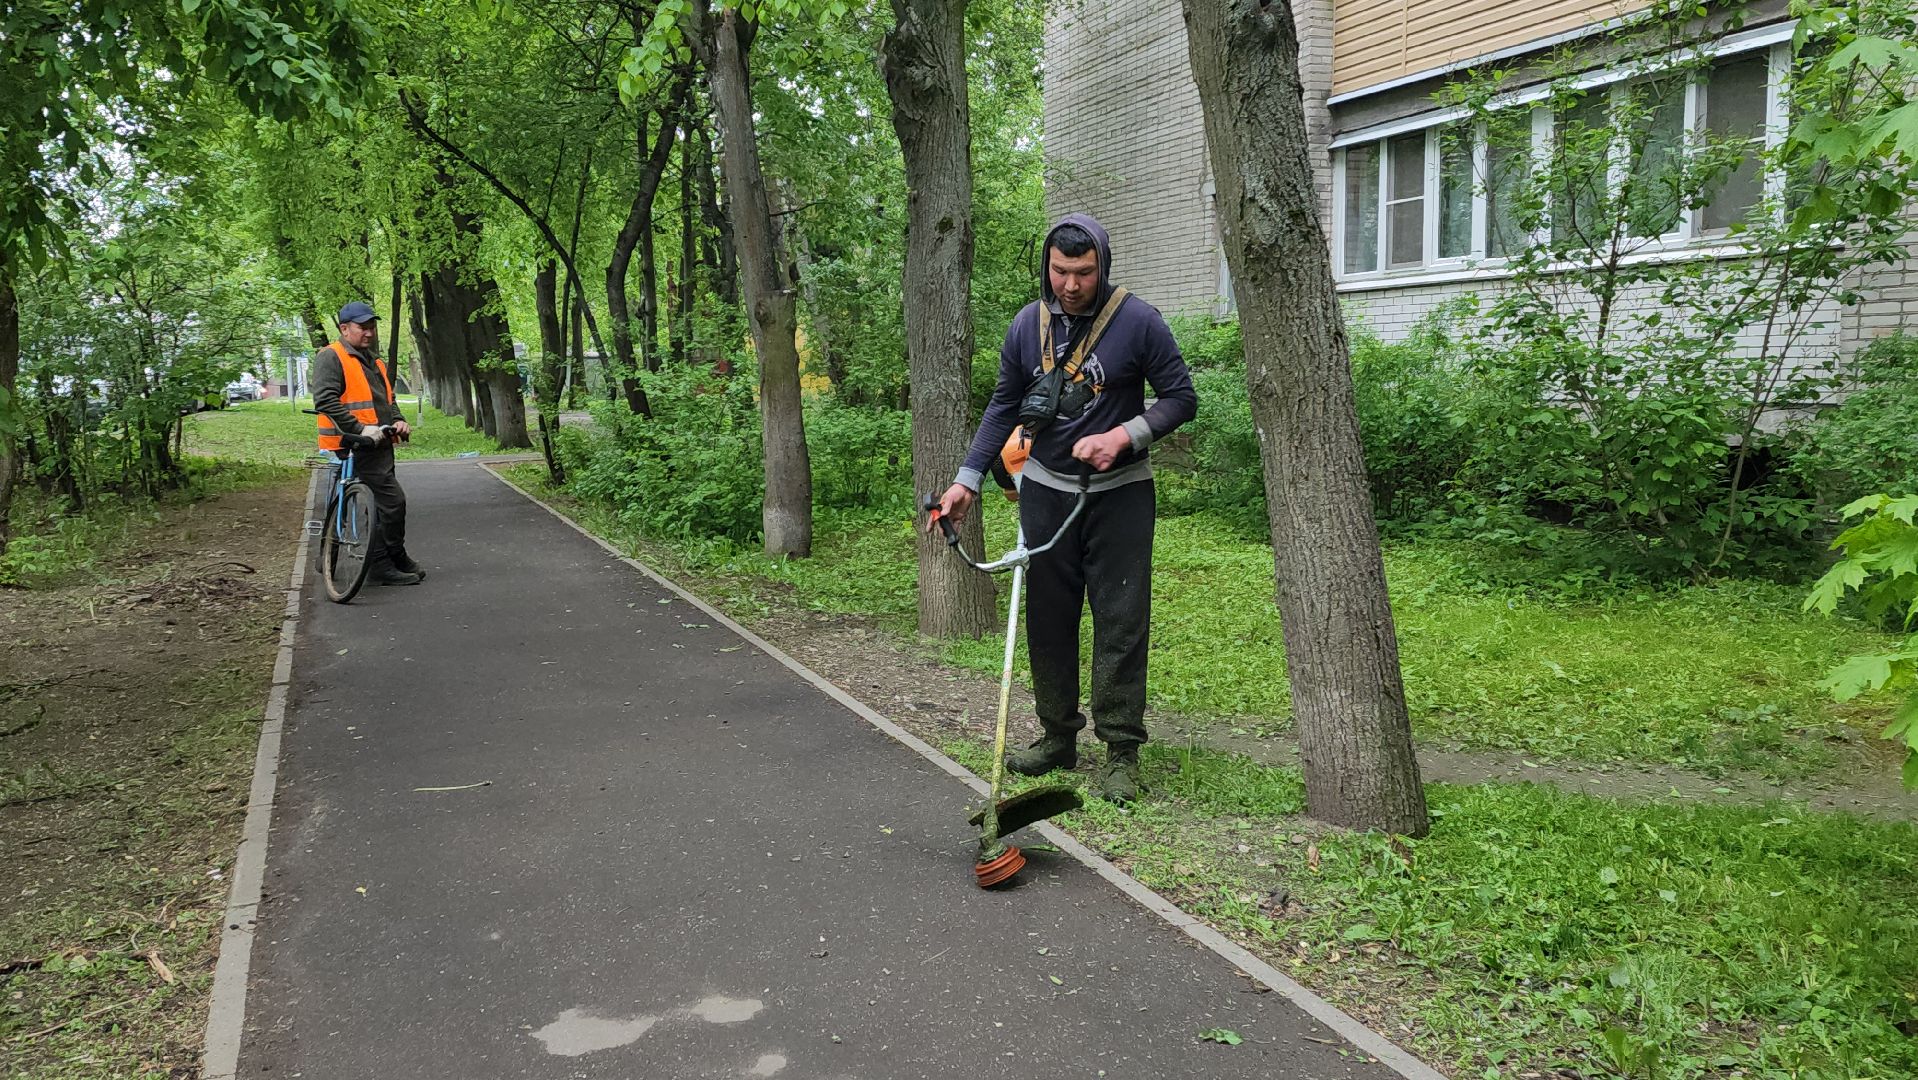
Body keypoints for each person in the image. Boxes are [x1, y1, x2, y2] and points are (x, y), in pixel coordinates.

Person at [931, 215, 1197, 803]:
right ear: (1046, 267)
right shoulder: (1029, 324)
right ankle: (1057, 738)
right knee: (1048, 619)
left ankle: (1121, 750)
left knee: (1121, 623)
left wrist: (1125, 435)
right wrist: (967, 480)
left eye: (1082, 272)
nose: (1070, 285)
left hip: (1120, 496)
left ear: (1102, 265)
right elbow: (1004, 403)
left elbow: (1181, 399)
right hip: (1045, 492)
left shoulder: (1139, 321)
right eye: (1059, 272)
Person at [313, 301, 424, 587]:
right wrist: (361, 429)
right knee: (390, 501)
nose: (369, 333)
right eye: (363, 327)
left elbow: (388, 400)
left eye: (372, 327)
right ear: (344, 328)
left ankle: (389, 557)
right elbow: (325, 400)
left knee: (380, 502)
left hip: (378, 443)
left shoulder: (373, 361)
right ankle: (383, 562)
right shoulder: (331, 357)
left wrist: (398, 421)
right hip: (353, 443)